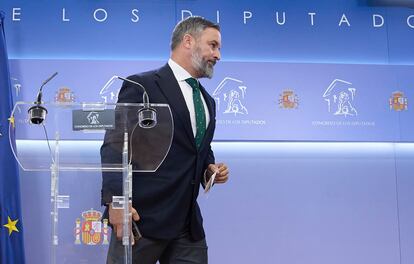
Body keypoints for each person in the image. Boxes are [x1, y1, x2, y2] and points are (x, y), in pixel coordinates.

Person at [100, 16, 229, 264]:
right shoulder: (141, 85)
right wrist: (116, 203)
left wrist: (209, 169)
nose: (218, 55)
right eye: (213, 45)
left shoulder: (208, 100)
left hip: (187, 226)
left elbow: (198, 149)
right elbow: (115, 146)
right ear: (188, 41)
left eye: (219, 48)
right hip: (140, 220)